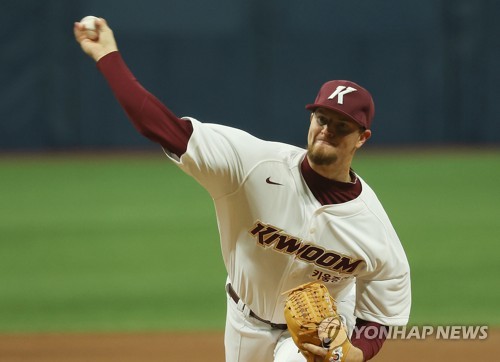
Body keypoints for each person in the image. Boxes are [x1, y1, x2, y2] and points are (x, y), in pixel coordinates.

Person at [74, 17, 411, 362]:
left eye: (342, 126)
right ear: (310, 120)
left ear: (362, 138)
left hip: (322, 329)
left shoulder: (374, 229)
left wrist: (358, 352)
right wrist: (107, 55)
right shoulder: (252, 165)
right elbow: (161, 127)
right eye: (322, 119)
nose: (328, 130)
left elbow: (380, 316)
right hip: (243, 322)